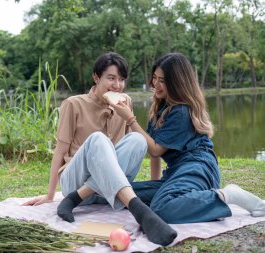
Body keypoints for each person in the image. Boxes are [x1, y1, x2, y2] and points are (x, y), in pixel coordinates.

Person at [22, 52, 177, 246]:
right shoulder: (73, 104)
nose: (117, 85)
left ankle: (75, 200)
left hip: (108, 191)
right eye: (111, 78)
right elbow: (60, 152)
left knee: (138, 139)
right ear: (96, 77)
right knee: (98, 139)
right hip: (74, 182)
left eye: (121, 80)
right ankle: (139, 210)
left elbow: (129, 147)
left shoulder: (125, 102)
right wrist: (50, 195)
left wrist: (126, 114)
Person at [108, 52, 265, 224]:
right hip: (176, 173)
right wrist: (157, 185)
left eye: (163, 80)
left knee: (162, 208)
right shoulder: (161, 107)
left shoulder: (181, 111)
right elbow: (155, 152)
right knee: (125, 194)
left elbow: (155, 150)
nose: (156, 84)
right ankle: (179, 198)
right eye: (155, 78)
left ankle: (228, 195)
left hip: (197, 168)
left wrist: (129, 118)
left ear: (176, 83)